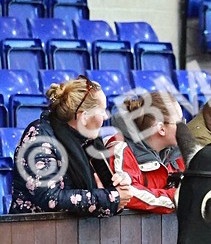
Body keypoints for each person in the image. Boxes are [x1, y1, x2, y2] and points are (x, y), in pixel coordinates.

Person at [10, 76, 132, 215]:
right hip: (33, 232)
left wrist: (119, 186)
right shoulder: (39, 138)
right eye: (102, 110)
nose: (105, 117)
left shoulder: (89, 141)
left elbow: (106, 193)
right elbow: (50, 198)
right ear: (84, 116)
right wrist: (110, 199)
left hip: (75, 233)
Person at [104, 91, 185, 212]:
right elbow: (127, 194)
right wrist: (176, 198)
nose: (184, 127)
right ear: (161, 129)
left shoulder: (178, 153)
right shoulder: (119, 147)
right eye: (179, 122)